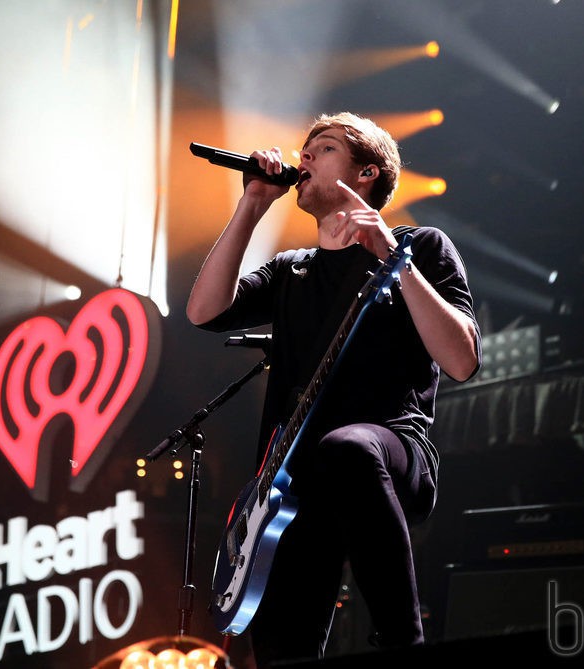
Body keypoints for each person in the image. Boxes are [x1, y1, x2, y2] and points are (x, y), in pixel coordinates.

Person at [186, 112, 482, 667]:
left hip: (388, 451)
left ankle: (403, 640)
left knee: (347, 448)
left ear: (366, 173)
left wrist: (393, 257)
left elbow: (462, 361)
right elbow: (203, 310)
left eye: (320, 149)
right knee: (280, 650)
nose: (302, 160)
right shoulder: (290, 271)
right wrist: (252, 202)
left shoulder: (422, 248)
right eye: (304, 150)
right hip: (291, 488)